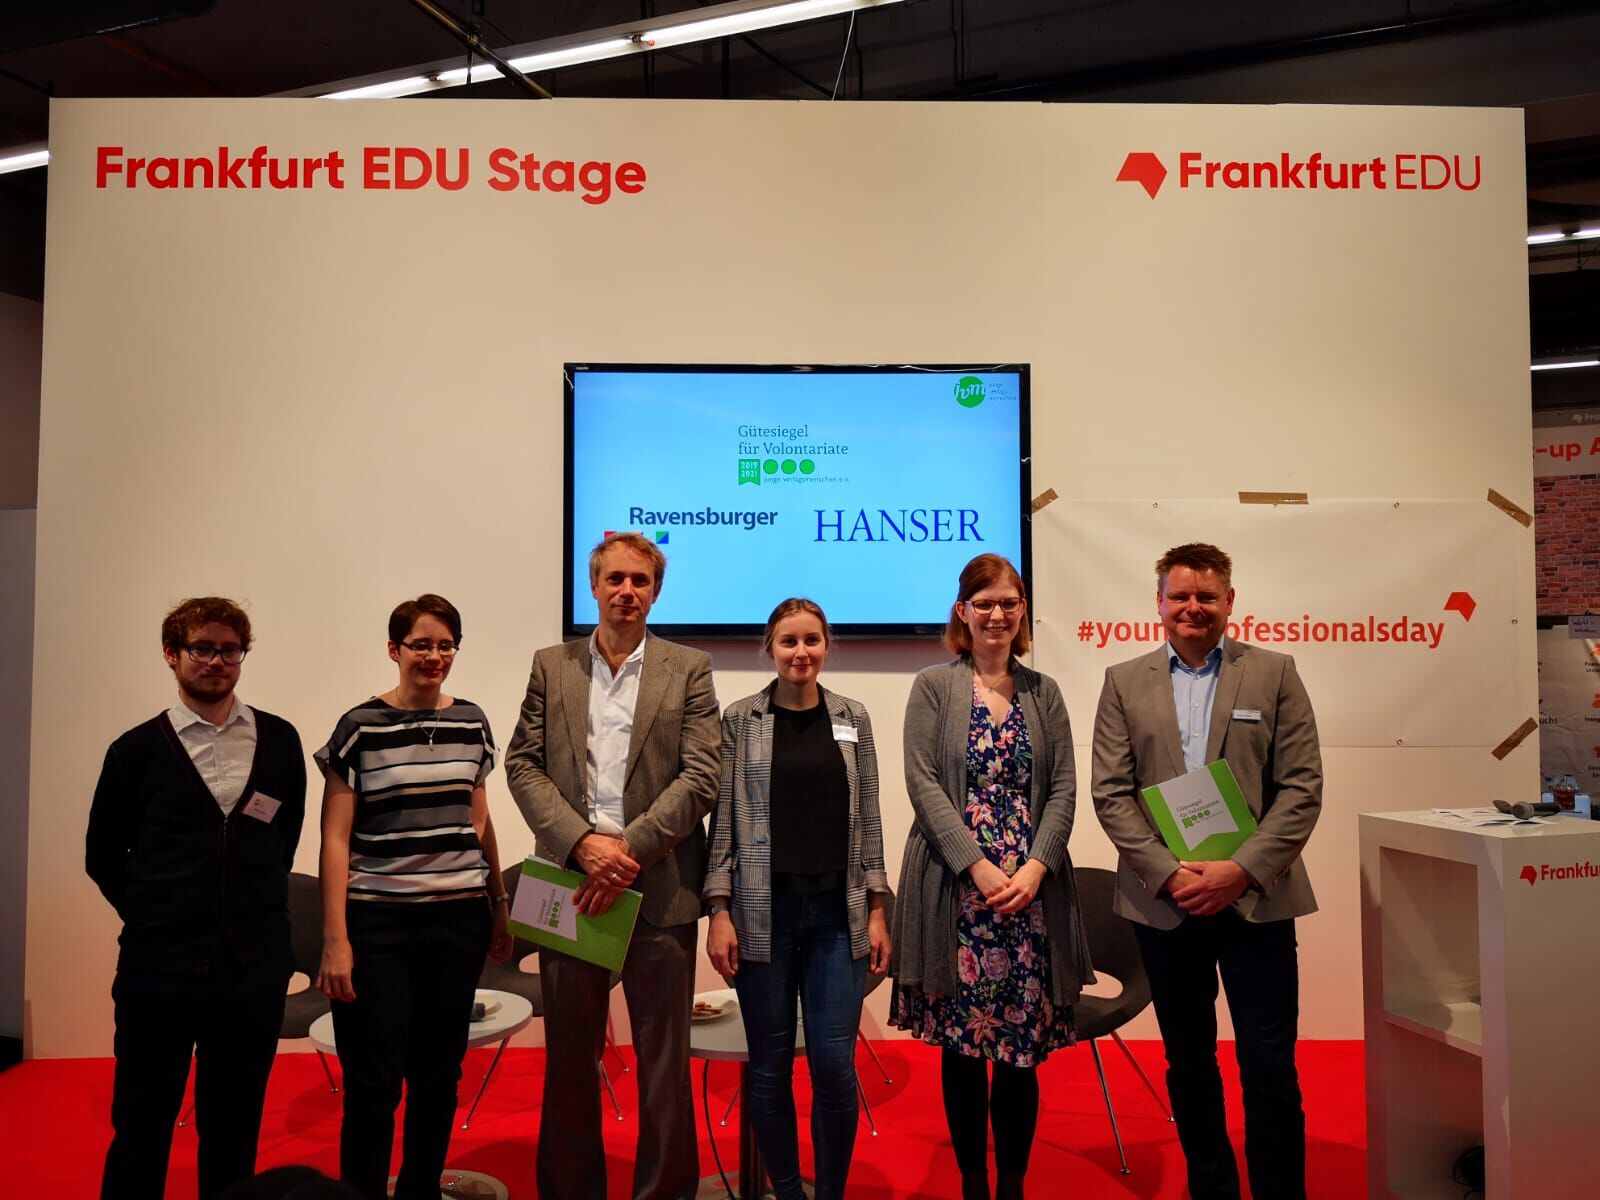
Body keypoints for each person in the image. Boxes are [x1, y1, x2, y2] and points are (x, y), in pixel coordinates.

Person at [1091, 543, 1322, 1200]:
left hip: (1256, 902)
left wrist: (1240, 871)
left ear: (1229, 602)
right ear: (1159, 603)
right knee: (1189, 1062)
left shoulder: (1275, 672)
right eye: (1181, 596)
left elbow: (1302, 788)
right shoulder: (1123, 680)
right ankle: (1212, 1189)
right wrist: (1170, 875)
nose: (1193, 607)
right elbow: (1111, 792)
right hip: (1166, 906)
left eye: (1207, 596)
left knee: (1269, 1064)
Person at [505, 532, 721, 1200]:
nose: (627, 591)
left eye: (640, 580)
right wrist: (580, 844)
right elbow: (522, 764)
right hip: (571, 886)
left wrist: (625, 851)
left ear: (656, 592)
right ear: (593, 586)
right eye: (616, 579)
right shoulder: (552, 665)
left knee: (663, 1067)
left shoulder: (689, 668)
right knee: (571, 1062)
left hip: (659, 888)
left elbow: (702, 776)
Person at [86, 597, 307, 1200]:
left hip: (253, 968)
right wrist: (160, 916)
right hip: (158, 969)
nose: (216, 661)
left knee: (234, 1124)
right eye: (202, 648)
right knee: (142, 1121)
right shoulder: (134, 751)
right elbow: (102, 856)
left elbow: (282, 839)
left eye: (230, 650)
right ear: (172, 654)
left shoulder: (280, 740)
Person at [889, 554, 1094, 1200]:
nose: (997, 614)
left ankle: (1013, 1184)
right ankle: (972, 1183)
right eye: (984, 603)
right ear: (963, 611)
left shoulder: (1044, 692)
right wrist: (976, 866)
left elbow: (1064, 788)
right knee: (963, 1049)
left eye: (1009, 602)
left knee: (1020, 1053)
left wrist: (1036, 866)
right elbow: (923, 783)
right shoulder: (933, 687)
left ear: (1022, 610)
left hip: (1029, 896)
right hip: (957, 894)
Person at [313, 594, 512, 1200]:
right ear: (393, 649)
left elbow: (480, 822)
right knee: (373, 1084)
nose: (434, 656)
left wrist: (499, 905)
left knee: (438, 1077)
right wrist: (335, 939)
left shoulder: (472, 721)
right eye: (421, 644)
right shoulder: (359, 727)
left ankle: (420, 1191)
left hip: (457, 922)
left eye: (446, 645)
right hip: (376, 924)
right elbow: (334, 838)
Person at [703, 598, 892, 1200]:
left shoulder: (853, 717)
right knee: (769, 1069)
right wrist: (718, 910)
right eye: (789, 641)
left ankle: (829, 1193)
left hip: (840, 915)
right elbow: (723, 821)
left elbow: (870, 817)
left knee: (835, 1068)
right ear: (770, 647)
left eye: (812, 640)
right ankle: (786, 1191)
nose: (801, 652)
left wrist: (879, 908)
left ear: (827, 645)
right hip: (764, 916)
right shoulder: (741, 719)